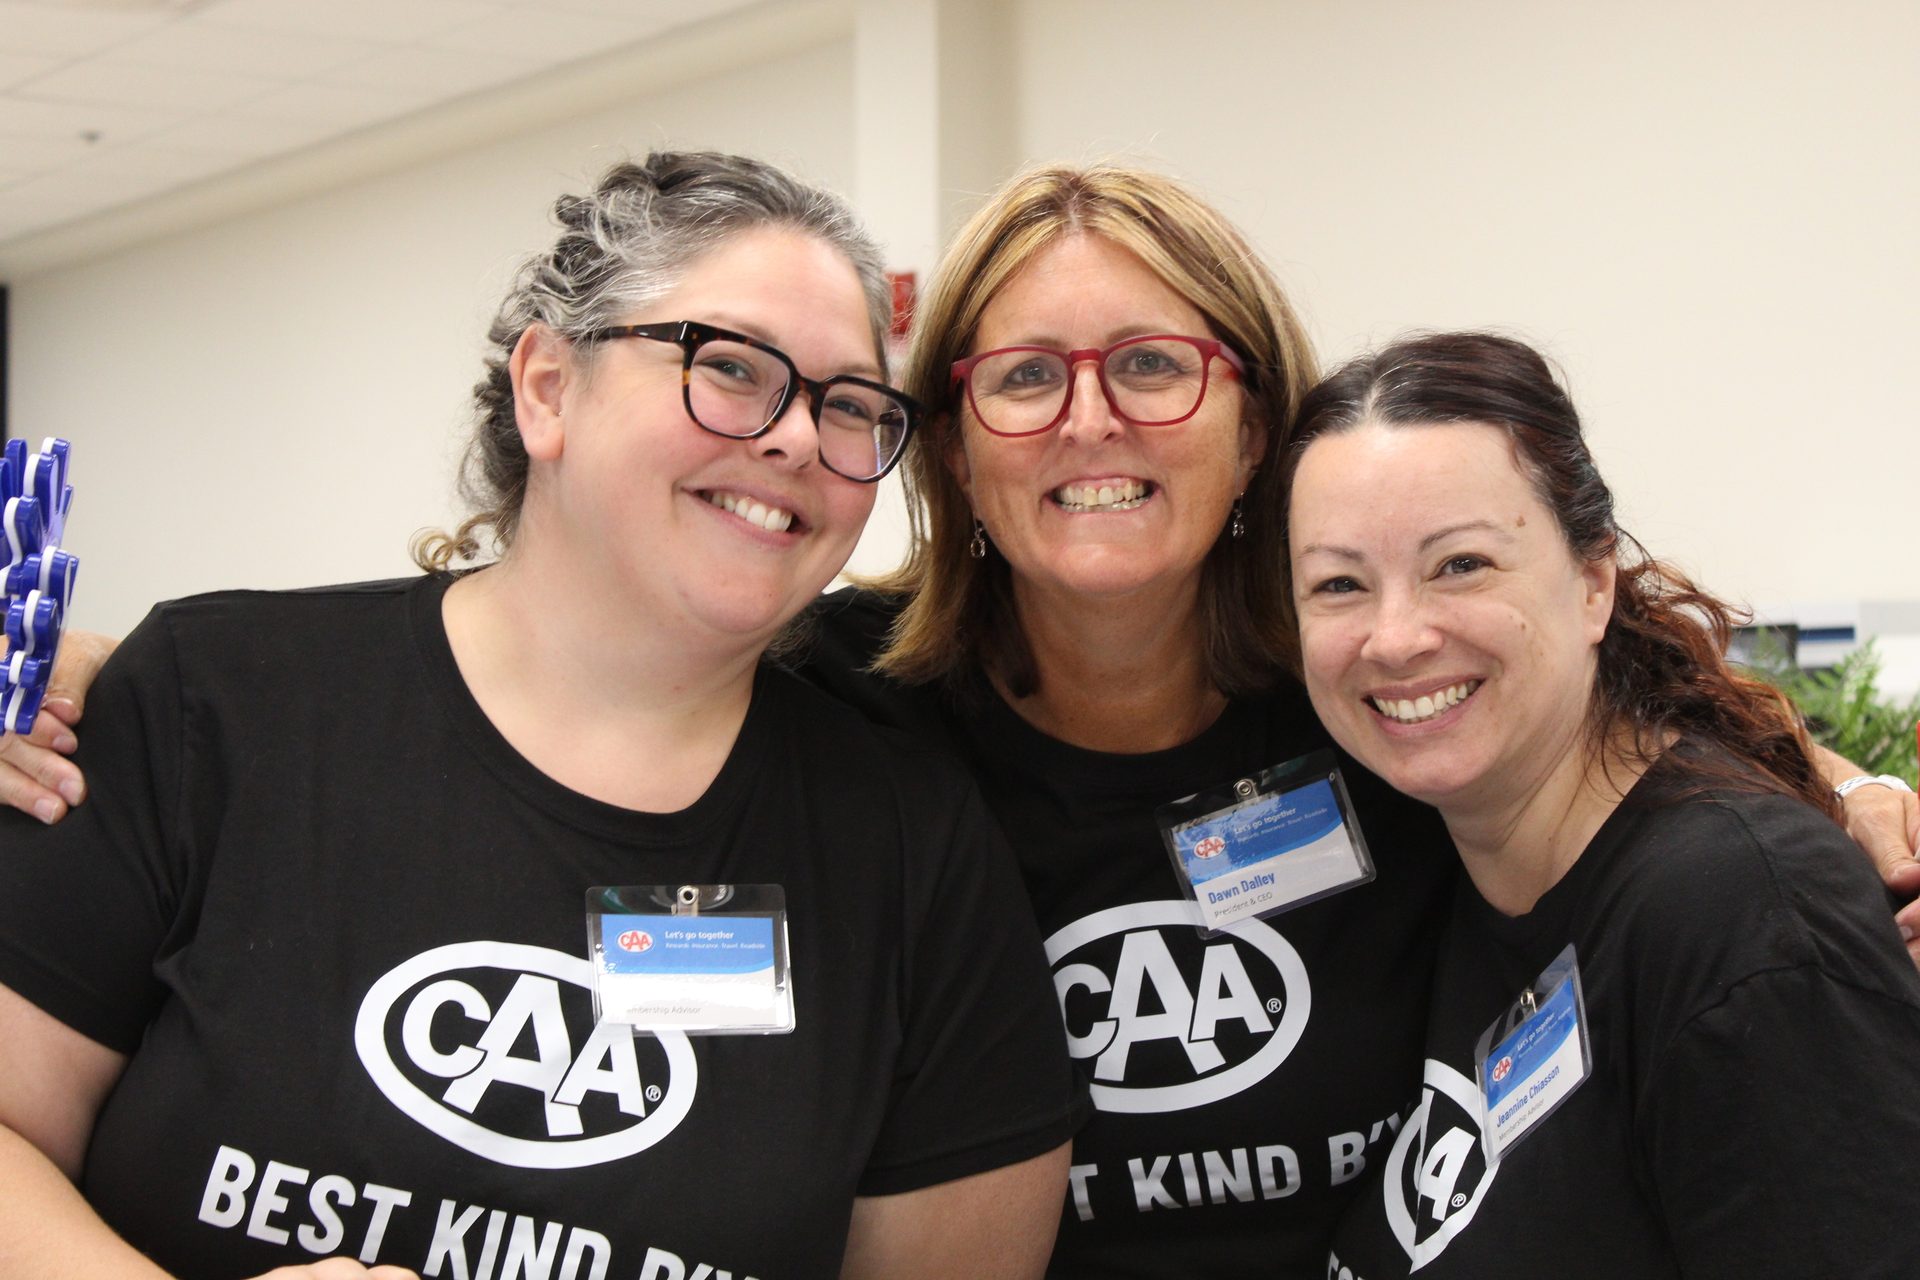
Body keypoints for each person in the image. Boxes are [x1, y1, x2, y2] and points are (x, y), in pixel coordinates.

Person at [7, 164, 1917, 1279]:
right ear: (949, 453)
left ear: (1259, 414)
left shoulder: (1362, 694)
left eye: (1156, 363)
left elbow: (1565, 690)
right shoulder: (847, 695)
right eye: (1017, 377)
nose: (1091, 417)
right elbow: (429, 692)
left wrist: (1812, 788)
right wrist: (52, 676)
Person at [0, 151, 1079, 1280]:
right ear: (548, 387)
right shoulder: (215, 700)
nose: (799, 437)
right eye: (733, 367)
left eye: (849, 404)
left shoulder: (912, 853)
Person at [1285, 332, 1920, 1278]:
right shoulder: (1447, 844)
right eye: (1339, 584)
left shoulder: (1735, 915)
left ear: (1593, 584)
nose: (1397, 636)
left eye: (1461, 564)